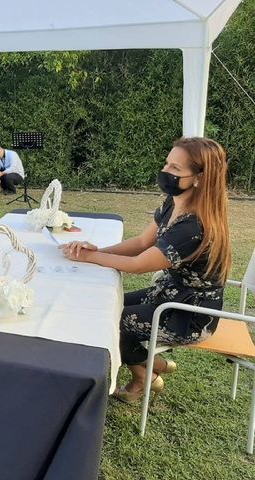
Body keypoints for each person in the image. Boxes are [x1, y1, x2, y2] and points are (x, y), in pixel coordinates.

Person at [60, 137, 231, 404]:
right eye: (167, 163)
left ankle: (145, 378)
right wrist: (98, 250)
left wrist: (91, 258)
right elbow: (141, 242)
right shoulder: (173, 201)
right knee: (104, 305)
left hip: (191, 314)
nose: (165, 171)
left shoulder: (193, 227)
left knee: (113, 321)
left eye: (175, 168)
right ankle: (157, 365)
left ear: (199, 177)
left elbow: (138, 264)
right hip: (168, 294)